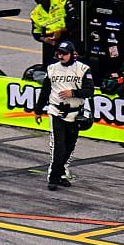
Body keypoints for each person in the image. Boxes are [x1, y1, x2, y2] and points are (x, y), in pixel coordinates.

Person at [39, 39, 93, 191]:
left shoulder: (83, 69)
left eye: (64, 54)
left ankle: (61, 174)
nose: (61, 56)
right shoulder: (52, 68)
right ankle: (53, 178)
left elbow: (90, 91)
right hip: (56, 112)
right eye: (59, 53)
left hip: (75, 114)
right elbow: (45, 90)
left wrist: (73, 93)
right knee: (59, 147)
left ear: (72, 54)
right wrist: (38, 109)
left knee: (69, 147)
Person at [30, 0, 69, 65]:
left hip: (67, 36)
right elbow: (36, 33)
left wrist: (61, 30)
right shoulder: (35, 14)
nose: (41, 1)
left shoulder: (62, 1)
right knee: (50, 65)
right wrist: (45, 40)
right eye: (38, 0)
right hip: (51, 42)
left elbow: (75, 20)